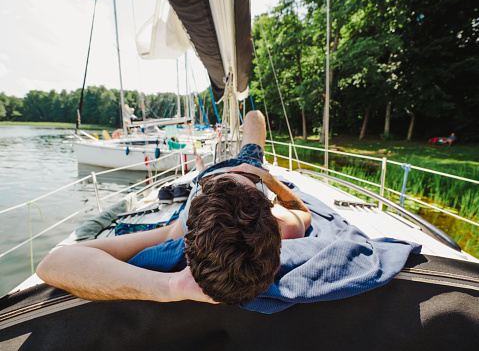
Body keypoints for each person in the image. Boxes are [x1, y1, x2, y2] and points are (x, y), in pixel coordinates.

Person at [36, 110, 311, 305]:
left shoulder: (177, 232)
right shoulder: (283, 224)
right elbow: (303, 212)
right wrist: (264, 177)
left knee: (249, 121)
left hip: (209, 177)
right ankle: (205, 170)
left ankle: (201, 171)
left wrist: (172, 287)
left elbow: (53, 263)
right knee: (253, 116)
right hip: (249, 166)